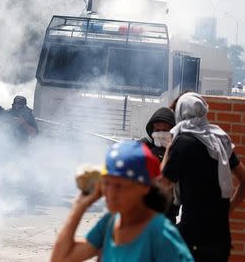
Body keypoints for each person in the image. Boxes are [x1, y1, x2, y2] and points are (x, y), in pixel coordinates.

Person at [50, 140, 193, 262]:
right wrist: (79, 206)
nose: (111, 194)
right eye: (106, 183)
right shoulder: (110, 223)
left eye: (120, 186)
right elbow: (61, 258)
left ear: (145, 187)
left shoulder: (160, 234)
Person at [162, 92, 245, 262]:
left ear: (180, 113)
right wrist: (228, 208)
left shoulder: (182, 141)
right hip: (220, 238)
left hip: (191, 237)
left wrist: (170, 146)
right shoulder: (219, 140)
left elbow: (163, 182)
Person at [141, 107, 179, 223]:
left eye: (165, 130)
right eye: (157, 130)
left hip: (168, 213)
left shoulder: (178, 150)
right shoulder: (144, 146)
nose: (161, 134)